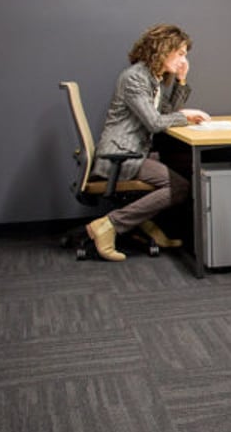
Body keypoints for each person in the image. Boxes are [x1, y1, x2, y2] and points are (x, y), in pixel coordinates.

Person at [85, 23, 210, 262]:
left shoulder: (153, 78)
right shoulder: (134, 78)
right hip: (119, 156)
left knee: (181, 170)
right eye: (181, 53)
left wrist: (181, 81)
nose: (184, 59)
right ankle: (109, 224)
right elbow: (154, 122)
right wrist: (184, 117)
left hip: (134, 152)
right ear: (163, 49)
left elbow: (166, 112)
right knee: (181, 186)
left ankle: (145, 225)